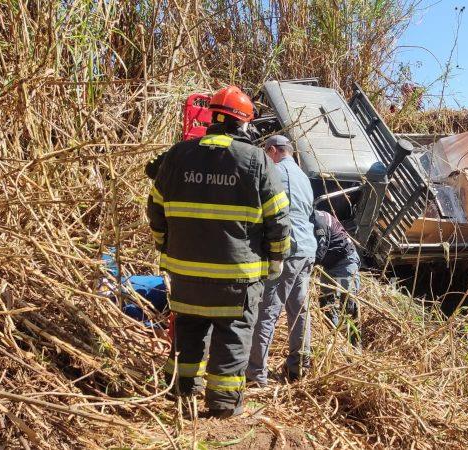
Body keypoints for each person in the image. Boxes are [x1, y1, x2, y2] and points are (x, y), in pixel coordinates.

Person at [147, 85, 291, 418]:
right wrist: (277, 258)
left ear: (213, 117)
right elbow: (278, 217)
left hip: (185, 273)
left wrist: (165, 246)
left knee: (189, 329)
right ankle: (224, 404)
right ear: (243, 124)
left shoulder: (177, 155)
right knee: (233, 333)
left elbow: (155, 208)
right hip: (235, 277)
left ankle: (181, 392)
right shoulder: (255, 159)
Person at [247, 135, 317, 385]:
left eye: (267, 154)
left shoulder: (275, 171)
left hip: (289, 249)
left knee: (267, 310)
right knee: (299, 311)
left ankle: (255, 374)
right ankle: (299, 367)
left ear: (273, 150)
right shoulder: (303, 176)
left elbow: (273, 215)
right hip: (307, 249)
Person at [314, 210, 361, 346]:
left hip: (345, 262)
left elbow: (319, 251)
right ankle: (335, 341)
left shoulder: (319, 221)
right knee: (325, 303)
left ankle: (355, 348)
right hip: (329, 265)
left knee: (349, 306)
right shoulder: (310, 220)